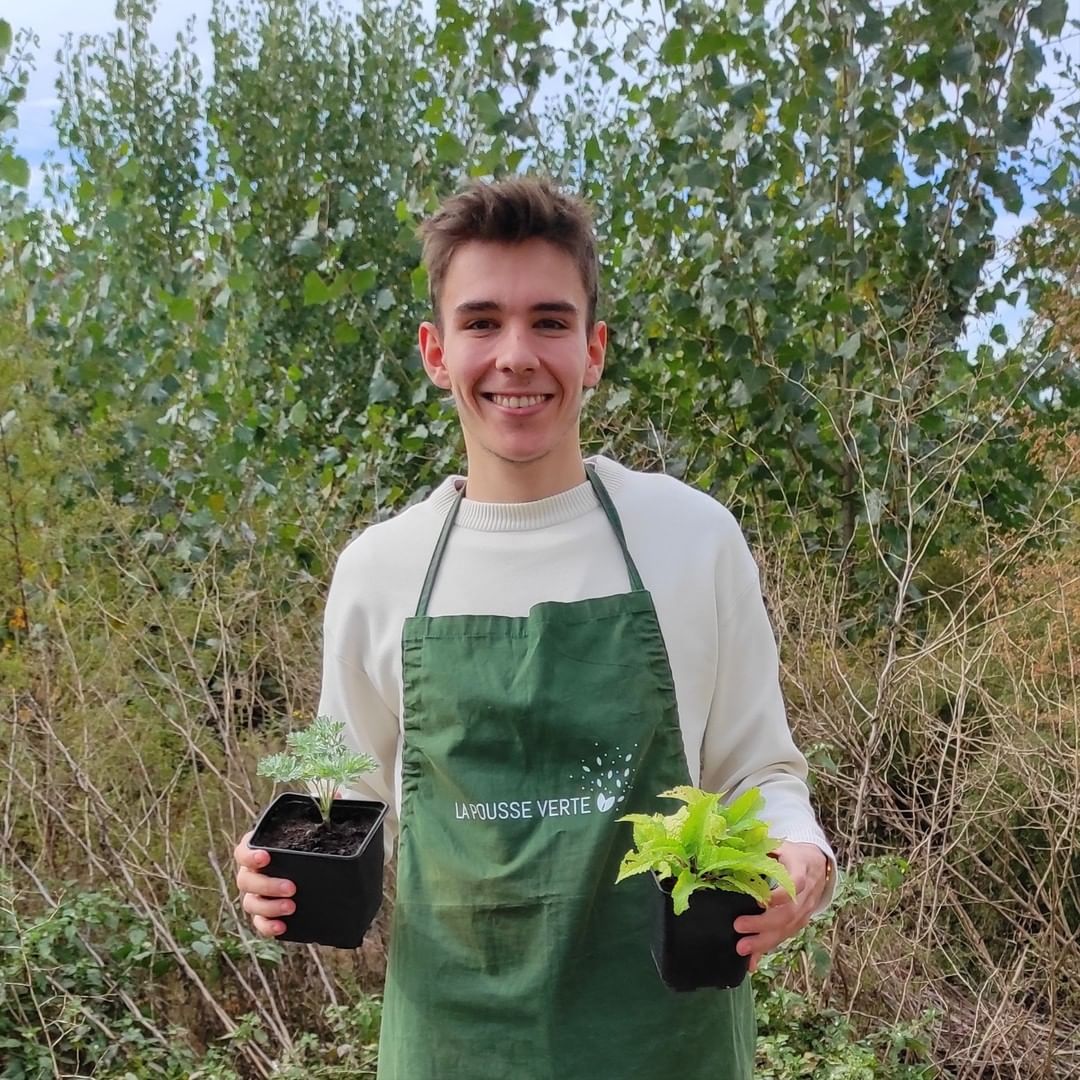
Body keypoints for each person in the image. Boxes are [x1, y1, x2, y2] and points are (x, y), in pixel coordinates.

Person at [234, 176, 836, 1079]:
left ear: (593, 351)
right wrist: (276, 873)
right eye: (482, 322)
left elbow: (758, 769)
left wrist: (801, 853)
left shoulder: (690, 538)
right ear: (437, 353)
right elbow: (344, 799)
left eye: (550, 322)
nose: (516, 354)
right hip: (453, 1045)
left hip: (665, 1044)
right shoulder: (380, 570)